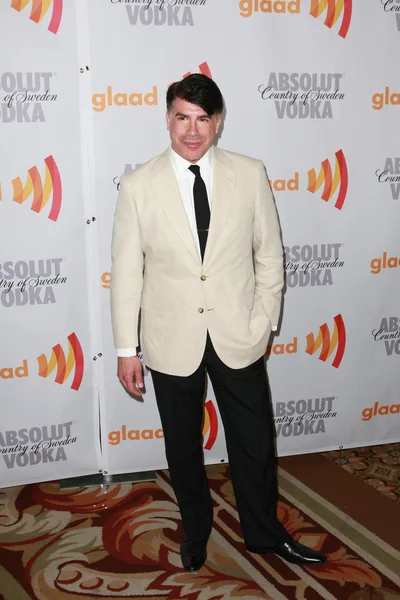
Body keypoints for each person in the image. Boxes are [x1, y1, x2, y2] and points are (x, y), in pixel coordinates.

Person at [110, 74, 326, 572]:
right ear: (168, 120)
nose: (192, 130)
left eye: (202, 119)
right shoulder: (139, 184)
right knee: (183, 448)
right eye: (182, 117)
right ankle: (197, 531)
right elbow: (127, 273)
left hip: (238, 335)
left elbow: (269, 256)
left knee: (254, 443)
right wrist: (126, 349)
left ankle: (264, 534)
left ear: (218, 122)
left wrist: (264, 320)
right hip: (170, 339)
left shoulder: (248, 173)